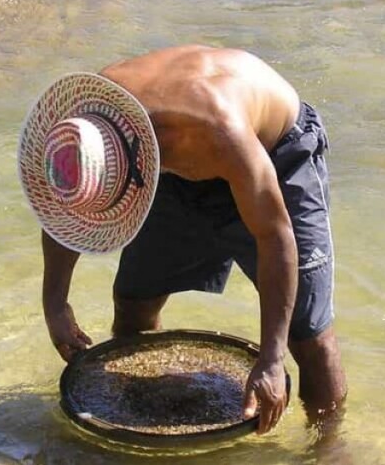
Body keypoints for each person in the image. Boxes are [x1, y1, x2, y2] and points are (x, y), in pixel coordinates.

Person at [17, 45, 346, 435]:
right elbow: (64, 208)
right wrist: (55, 302)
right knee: (133, 304)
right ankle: (143, 424)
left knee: (307, 335)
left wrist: (271, 360)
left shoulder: (217, 127)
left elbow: (275, 236)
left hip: (275, 153)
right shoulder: (83, 130)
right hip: (170, 166)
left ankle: (328, 446)